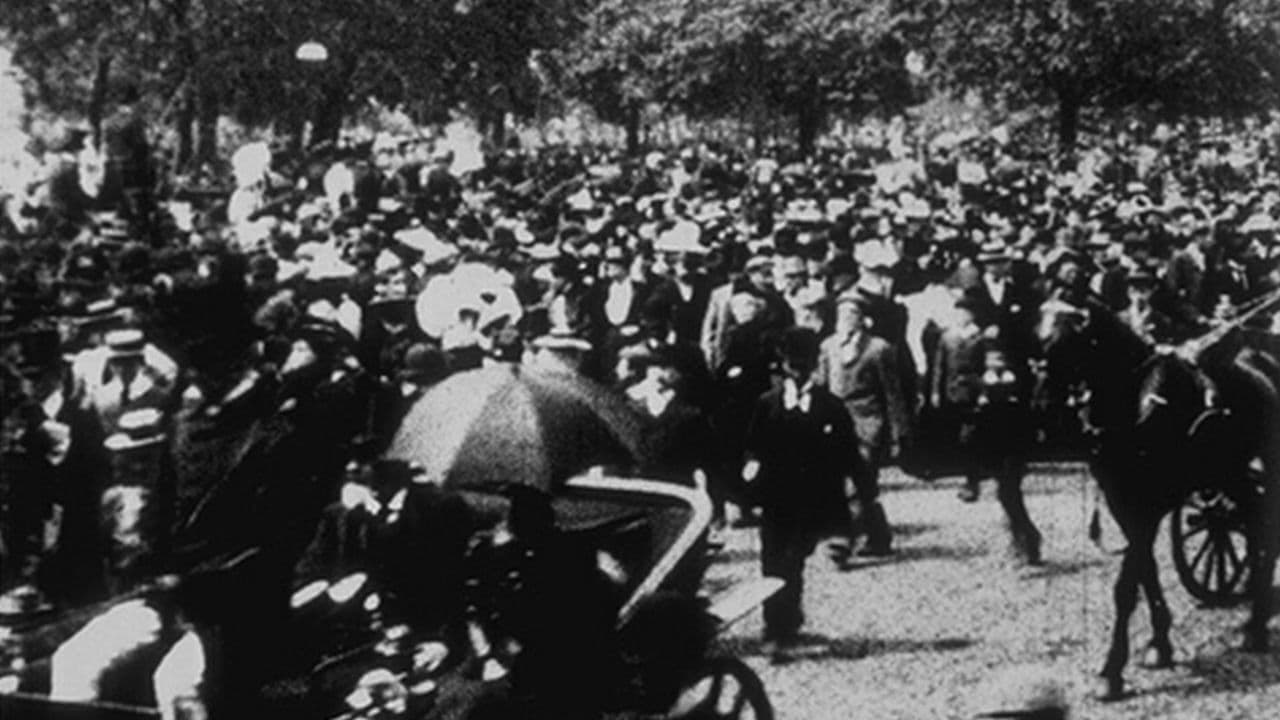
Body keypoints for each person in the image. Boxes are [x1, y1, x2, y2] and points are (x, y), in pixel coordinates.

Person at [742, 327, 859, 656]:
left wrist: (863, 491)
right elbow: (752, 445)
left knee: (793, 561)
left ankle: (785, 622)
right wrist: (750, 472)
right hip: (776, 497)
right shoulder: (767, 404)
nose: (798, 373)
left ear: (813, 366)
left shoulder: (830, 407)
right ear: (783, 366)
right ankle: (776, 625)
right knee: (772, 561)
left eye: (803, 367)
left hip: (812, 498)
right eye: (792, 367)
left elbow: (848, 452)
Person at [814, 291, 908, 557]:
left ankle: (842, 538)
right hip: (835, 420)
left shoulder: (879, 348)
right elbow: (821, 384)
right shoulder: (828, 346)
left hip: (868, 420)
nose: (847, 319)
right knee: (846, 482)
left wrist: (898, 431)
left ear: (863, 318)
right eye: (842, 313)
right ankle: (879, 535)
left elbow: (892, 393)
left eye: (853, 313)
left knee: (860, 478)